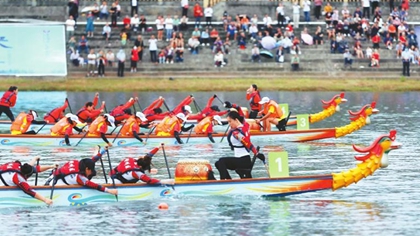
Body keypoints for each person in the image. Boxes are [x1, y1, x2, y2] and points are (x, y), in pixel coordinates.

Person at [47, 147, 118, 197]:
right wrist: (109, 191)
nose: (91, 172)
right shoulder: (80, 177)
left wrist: (103, 151)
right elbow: (94, 185)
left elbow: (92, 160)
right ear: (87, 169)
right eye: (91, 170)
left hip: (53, 177)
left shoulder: (80, 163)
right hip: (55, 184)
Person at [214, 111, 263, 180]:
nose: (229, 124)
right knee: (218, 163)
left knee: (222, 161)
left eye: (230, 121)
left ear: (236, 120)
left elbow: (247, 143)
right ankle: (229, 181)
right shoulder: (239, 129)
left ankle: (222, 182)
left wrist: (256, 153)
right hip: (239, 159)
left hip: (243, 160)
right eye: (228, 122)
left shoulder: (237, 133)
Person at [110, 147, 174, 185]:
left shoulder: (132, 159)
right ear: (140, 167)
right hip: (117, 182)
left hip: (113, 174)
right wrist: (165, 181)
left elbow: (148, 156)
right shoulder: (137, 172)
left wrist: (158, 147)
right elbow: (149, 181)